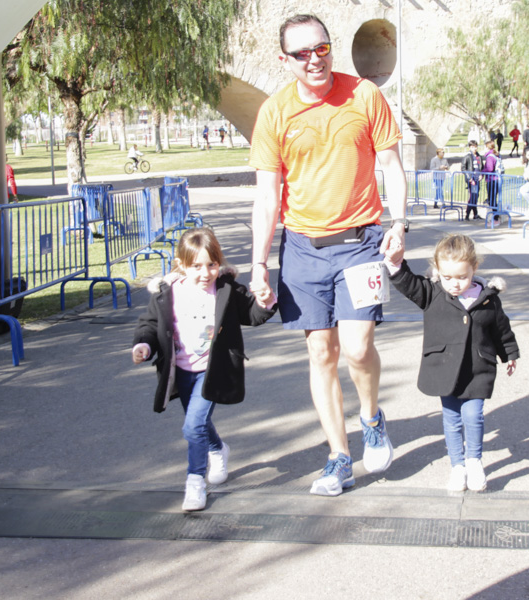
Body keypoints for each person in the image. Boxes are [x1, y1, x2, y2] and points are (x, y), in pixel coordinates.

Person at [248, 14, 408, 497]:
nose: (315, 60)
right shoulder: (275, 113)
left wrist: (399, 224)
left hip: (360, 243)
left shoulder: (364, 95)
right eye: (302, 53)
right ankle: (339, 456)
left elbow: (393, 168)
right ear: (285, 60)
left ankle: (372, 417)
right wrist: (259, 264)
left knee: (358, 348)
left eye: (322, 49)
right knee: (321, 352)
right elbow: (266, 195)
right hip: (302, 249)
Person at [131, 228, 277, 511]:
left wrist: (265, 300)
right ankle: (217, 448)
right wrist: (143, 347)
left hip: (213, 370)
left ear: (218, 262)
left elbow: (252, 315)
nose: (205, 273)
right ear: (181, 264)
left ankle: (195, 482)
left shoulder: (226, 290)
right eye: (196, 266)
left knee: (193, 425)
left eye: (211, 264)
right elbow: (149, 325)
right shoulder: (168, 293)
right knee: (197, 424)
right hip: (181, 372)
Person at [383, 234, 519, 492]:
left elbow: (501, 329)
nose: (454, 284)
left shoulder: (489, 297)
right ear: (437, 271)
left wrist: (509, 353)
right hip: (445, 370)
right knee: (452, 418)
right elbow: (406, 282)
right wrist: (394, 262)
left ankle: (474, 461)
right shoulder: (431, 293)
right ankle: (457, 466)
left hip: (478, 369)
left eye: (461, 277)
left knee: (473, 415)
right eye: (447, 277)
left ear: (474, 269)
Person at [482, 140, 503, 225]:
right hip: (497, 179)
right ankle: (496, 216)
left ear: (487, 147)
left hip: (492, 179)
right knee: (493, 199)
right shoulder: (496, 155)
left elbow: (490, 168)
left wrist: (482, 171)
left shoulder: (490, 157)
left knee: (492, 199)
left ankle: (495, 218)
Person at [461, 140, 484, 220]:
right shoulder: (467, 156)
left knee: (476, 196)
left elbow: (482, 167)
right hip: (472, 179)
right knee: (472, 197)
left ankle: (475, 214)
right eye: (473, 147)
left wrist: (482, 175)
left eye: (476, 146)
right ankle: (467, 214)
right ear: (470, 147)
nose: (475, 148)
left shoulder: (479, 156)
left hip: (478, 178)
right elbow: (463, 168)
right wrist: (469, 178)